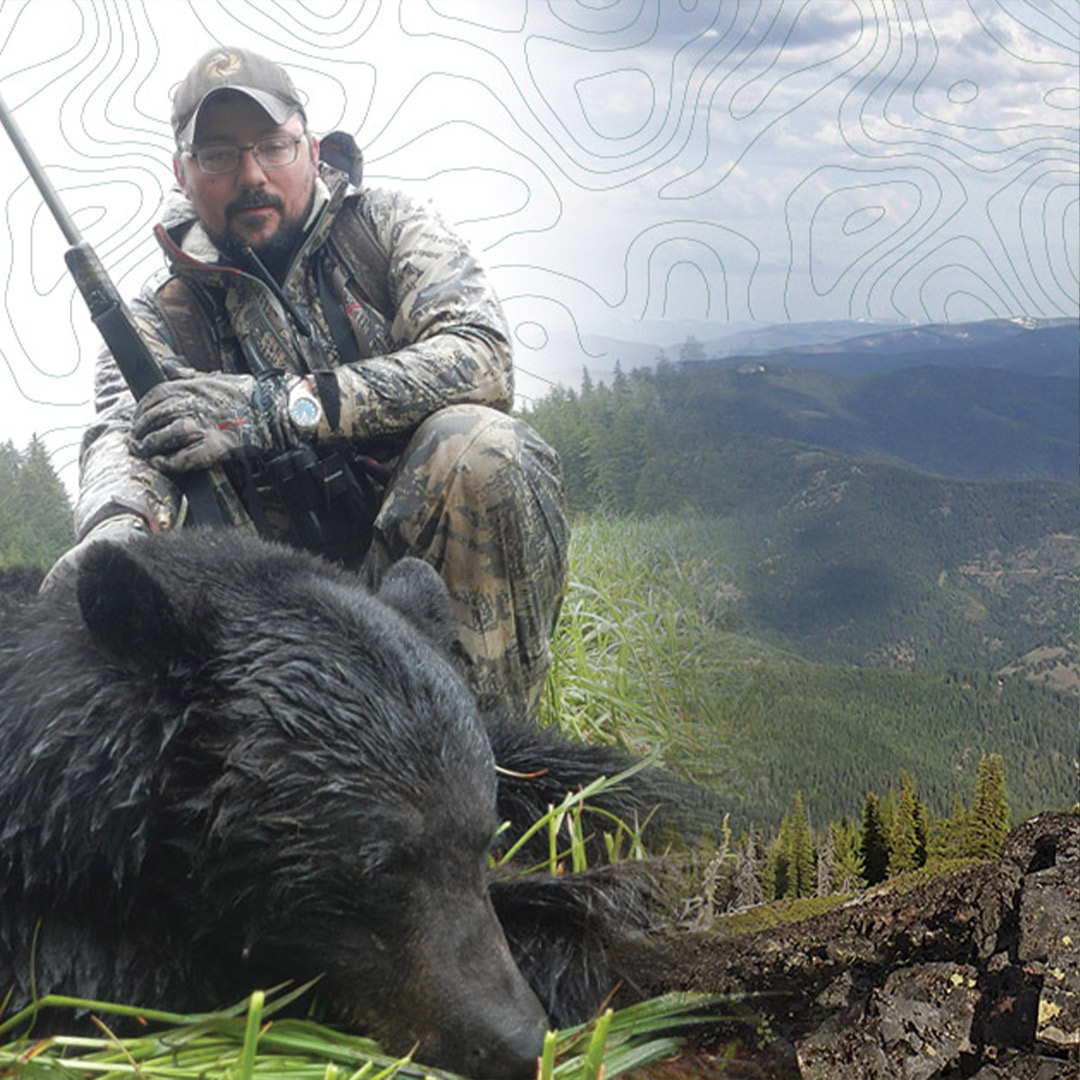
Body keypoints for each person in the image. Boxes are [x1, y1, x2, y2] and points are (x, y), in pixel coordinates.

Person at [48, 46, 569, 720]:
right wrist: (112, 526)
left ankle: (495, 754)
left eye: (273, 146)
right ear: (181, 173)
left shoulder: (387, 227)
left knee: (486, 446)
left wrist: (276, 408)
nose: (253, 175)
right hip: (269, 617)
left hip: (416, 580)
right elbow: (127, 430)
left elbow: (481, 356)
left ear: (311, 146)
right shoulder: (159, 316)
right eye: (219, 156)